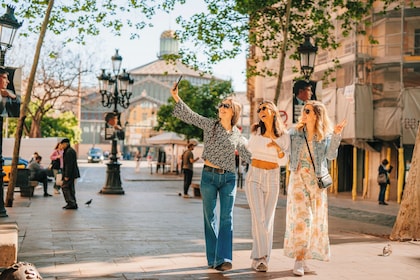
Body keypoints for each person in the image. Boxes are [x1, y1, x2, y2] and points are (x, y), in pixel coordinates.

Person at [170, 84, 251, 271]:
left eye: (226, 106)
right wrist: (176, 96)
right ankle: (214, 259)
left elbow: (249, 157)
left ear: (234, 112)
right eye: (221, 105)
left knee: (226, 218)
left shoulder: (238, 135)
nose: (221, 108)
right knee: (210, 217)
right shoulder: (210, 125)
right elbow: (191, 116)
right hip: (209, 177)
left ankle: (223, 258)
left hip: (229, 179)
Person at [284, 100, 346, 276]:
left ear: (317, 115)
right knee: (303, 218)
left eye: (308, 111)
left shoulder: (324, 135)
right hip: (298, 179)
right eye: (304, 110)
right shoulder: (294, 133)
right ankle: (298, 259)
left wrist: (336, 136)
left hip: (316, 182)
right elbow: (283, 141)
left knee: (314, 220)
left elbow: (331, 156)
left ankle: (304, 258)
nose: (304, 113)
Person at [245, 100, 290, 272]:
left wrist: (277, 147)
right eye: (259, 109)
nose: (261, 111)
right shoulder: (256, 131)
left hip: (272, 176)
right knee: (259, 218)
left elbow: (284, 160)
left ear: (273, 111)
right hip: (254, 175)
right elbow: (249, 150)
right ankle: (260, 258)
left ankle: (261, 257)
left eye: (264, 108)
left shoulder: (284, 135)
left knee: (268, 219)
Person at [60, 138, 80, 210]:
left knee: (65, 187)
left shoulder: (68, 152)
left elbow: (69, 164)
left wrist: (66, 175)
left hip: (70, 174)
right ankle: (73, 202)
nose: (61, 146)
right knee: (70, 188)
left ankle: (71, 202)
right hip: (72, 173)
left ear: (65, 144)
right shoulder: (69, 151)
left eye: (62, 145)